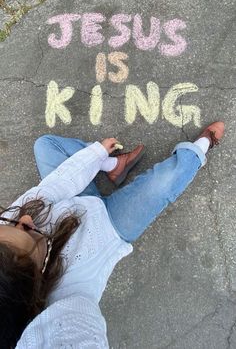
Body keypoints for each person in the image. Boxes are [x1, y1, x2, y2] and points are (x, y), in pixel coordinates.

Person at [0, 121, 224, 349]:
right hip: (112, 225)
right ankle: (199, 149)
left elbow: (55, 185)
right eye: (29, 232)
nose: (25, 219)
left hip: (77, 199)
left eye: (7, 222)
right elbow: (74, 337)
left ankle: (115, 166)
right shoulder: (69, 301)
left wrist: (97, 155)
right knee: (164, 183)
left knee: (45, 145)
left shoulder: (14, 227)